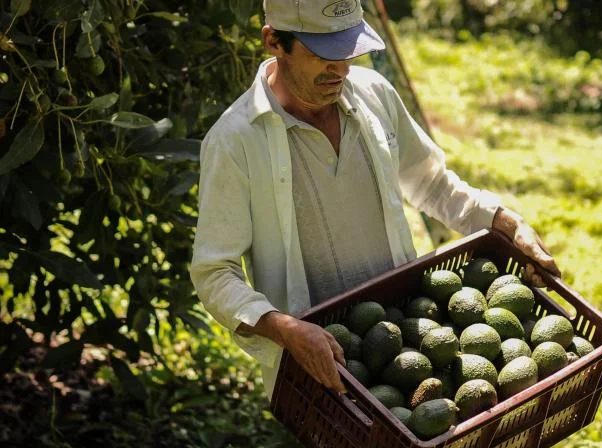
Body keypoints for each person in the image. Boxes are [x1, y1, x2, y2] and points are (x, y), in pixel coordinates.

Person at [190, 0, 560, 400]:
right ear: (274, 41)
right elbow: (215, 273)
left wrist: (504, 221)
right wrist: (285, 328)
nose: (341, 69)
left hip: (405, 336)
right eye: (323, 54)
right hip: (320, 364)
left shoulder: (375, 95)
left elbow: (432, 184)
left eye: (348, 51)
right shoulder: (235, 141)